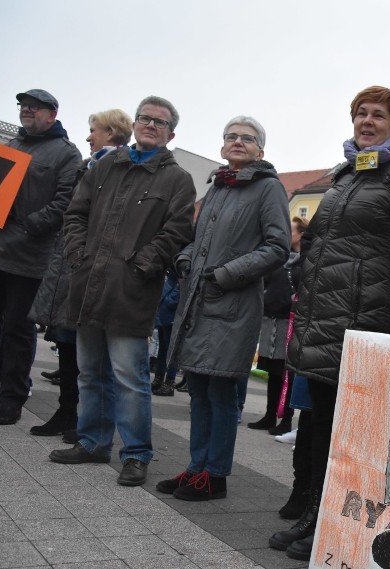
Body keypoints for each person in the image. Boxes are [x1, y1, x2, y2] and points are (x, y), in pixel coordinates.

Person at [273, 86, 390, 560]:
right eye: (360, 113)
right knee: (320, 424)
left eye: (378, 115)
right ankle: (313, 516)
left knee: (345, 431)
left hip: (365, 319)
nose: (367, 121)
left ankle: (331, 523)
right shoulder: (345, 174)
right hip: (323, 313)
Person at [49, 96, 196, 488]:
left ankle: (135, 454)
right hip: (89, 283)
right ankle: (93, 442)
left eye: (159, 122)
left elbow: (177, 231)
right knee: (89, 374)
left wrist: (142, 265)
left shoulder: (177, 179)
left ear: (171, 134)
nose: (150, 125)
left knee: (130, 378)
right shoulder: (105, 166)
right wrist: (78, 254)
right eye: (144, 118)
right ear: (133, 124)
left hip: (132, 290)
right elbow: (75, 213)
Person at [155, 116, 290, 501]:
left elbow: (278, 248)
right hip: (198, 303)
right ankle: (196, 468)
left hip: (234, 305)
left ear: (260, 151)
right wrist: (184, 258)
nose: (237, 142)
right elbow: (197, 239)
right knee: (198, 390)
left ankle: (215, 476)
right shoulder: (218, 185)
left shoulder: (269, 188)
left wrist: (226, 273)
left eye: (247, 138)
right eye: (231, 136)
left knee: (221, 393)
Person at [0, 89, 81, 424]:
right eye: (23, 106)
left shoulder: (67, 154)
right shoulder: (9, 146)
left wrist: (32, 225)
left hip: (28, 255)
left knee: (18, 331)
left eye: (34, 108)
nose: (26, 111)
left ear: (51, 114)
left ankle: (12, 400)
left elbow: (67, 202)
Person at [29, 108, 134, 439]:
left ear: (112, 132)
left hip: (92, 270)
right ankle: (67, 412)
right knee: (67, 343)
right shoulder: (88, 166)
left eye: (95, 130)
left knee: (91, 354)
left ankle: (91, 421)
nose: (89, 136)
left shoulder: (121, 167)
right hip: (69, 267)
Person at [248, 216, 307, 434]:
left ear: (301, 234)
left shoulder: (305, 260)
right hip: (271, 318)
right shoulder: (280, 258)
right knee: (273, 371)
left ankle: (286, 420)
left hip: (290, 321)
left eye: (290, 230)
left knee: (286, 374)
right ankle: (269, 415)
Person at [151, 267, 181, 396]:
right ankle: (159, 378)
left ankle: (169, 382)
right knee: (164, 347)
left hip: (171, 304)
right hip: (166, 302)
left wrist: (170, 300)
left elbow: (183, 279)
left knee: (171, 348)